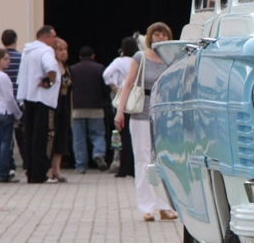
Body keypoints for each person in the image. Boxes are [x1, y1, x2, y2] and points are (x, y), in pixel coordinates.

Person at [114, 23, 177, 222]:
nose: (160, 37)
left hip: (164, 114)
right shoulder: (140, 58)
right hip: (141, 112)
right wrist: (120, 112)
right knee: (143, 160)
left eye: (164, 34)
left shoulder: (172, 58)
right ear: (149, 37)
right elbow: (127, 85)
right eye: (156, 34)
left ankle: (166, 206)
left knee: (165, 159)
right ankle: (147, 207)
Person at [16, 25, 60, 184]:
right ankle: (42, 173)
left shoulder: (28, 51)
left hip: (29, 97)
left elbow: (21, 75)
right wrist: (50, 81)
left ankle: (32, 174)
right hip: (43, 100)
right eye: (53, 36)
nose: (55, 39)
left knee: (31, 137)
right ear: (45, 37)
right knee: (44, 137)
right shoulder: (46, 51)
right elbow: (51, 68)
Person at [69, 46, 110, 174]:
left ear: (80, 57)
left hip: (77, 108)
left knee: (78, 137)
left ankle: (81, 165)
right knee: (98, 134)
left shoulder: (72, 69)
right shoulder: (100, 68)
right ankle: (98, 153)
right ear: (93, 56)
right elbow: (106, 88)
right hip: (96, 107)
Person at [104, 36, 140, 178]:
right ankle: (133, 168)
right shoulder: (139, 60)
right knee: (135, 135)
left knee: (123, 135)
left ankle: (123, 168)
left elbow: (106, 74)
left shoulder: (119, 61)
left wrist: (115, 86)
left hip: (123, 101)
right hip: (136, 99)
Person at [0, 48, 22, 183]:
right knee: (5, 144)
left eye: (8, 59)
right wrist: (18, 113)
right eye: (5, 59)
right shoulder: (3, 77)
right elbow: (9, 98)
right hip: (5, 111)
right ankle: (4, 173)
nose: (9, 61)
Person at [1, 29, 27, 172]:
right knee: (22, 135)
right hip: (18, 99)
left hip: (3, 103)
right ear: (15, 40)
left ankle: (8, 164)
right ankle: (26, 162)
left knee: (5, 137)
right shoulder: (21, 57)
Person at [48, 38, 72, 183]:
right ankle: (50, 169)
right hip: (54, 103)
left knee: (62, 137)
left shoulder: (67, 68)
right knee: (53, 136)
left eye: (65, 50)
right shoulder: (52, 67)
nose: (63, 53)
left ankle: (57, 169)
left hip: (65, 104)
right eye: (60, 50)